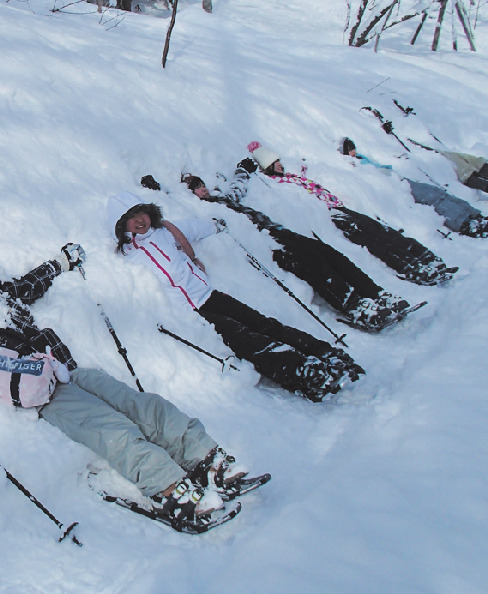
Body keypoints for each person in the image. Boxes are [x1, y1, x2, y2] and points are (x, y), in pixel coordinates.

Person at [0, 235, 259, 529]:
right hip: (44, 391)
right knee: (114, 430)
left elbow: (34, 280)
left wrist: (63, 259)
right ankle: (171, 489)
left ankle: (207, 459)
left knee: (145, 406)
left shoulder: (3, 295)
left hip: (71, 370)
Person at [108, 193, 363, 401]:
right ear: (121, 226)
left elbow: (196, 228)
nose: (139, 220)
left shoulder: (167, 230)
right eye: (131, 218)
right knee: (247, 340)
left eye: (141, 213)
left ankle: (325, 354)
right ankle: (303, 371)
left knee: (264, 324)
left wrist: (217, 224)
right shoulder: (128, 256)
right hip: (192, 313)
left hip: (210, 295)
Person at [177, 170, 412, 331]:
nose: (202, 189)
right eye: (195, 188)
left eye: (201, 184)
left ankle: (374, 293)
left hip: (275, 230)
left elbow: (238, 189)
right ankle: (355, 306)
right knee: (313, 265)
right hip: (265, 243)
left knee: (326, 252)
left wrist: (242, 170)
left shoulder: (221, 199)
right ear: (188, 194)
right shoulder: (199, 210)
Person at [241, 141, 457, 285]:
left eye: (279, 162)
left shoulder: (292, 176)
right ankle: (410, 267)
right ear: (267, 168)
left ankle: (424, 257)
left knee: (380, 230)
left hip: (339, 207)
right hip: (331, 215)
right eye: (274, 164)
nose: (279, 165)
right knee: (372, 240)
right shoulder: (275, 182)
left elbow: (302, 168)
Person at [341, 137, 488, 238]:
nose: (354, 151)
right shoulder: (352, 164)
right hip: (392, 186)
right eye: (350, 150)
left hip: (398, 180)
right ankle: (463, 222)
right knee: (432, 198)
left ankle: (475, 216)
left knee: (438, 193)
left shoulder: (361, 158)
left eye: (353, 148)